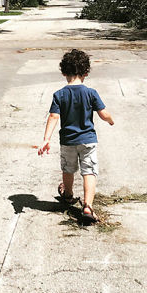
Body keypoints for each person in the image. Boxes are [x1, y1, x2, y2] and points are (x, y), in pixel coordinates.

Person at [38, 49, 115, 223]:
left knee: (68, 169)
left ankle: (68, 195)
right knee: (89, 172)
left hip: (68, 142)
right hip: (88, 141)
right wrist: (111, 120)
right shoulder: (91, 93)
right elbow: (103, 114)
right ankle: (87, 206)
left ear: (64, 72)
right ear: (86, 72)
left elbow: (53, 116)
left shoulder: (59, 95)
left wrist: (46, 139)